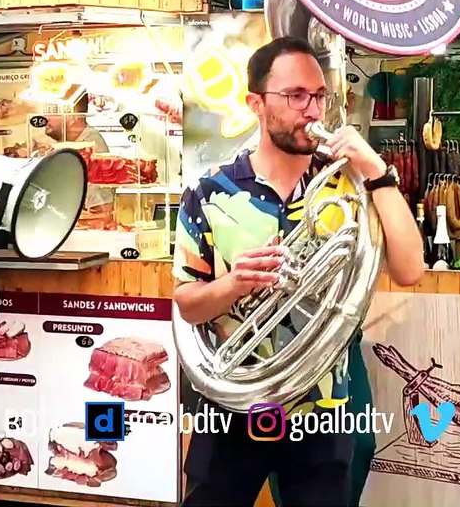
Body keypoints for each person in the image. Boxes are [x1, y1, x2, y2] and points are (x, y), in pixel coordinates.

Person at [173, 36, 425, 506]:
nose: (311, 110)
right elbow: (187, 304)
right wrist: (235, 283)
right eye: (294, 96)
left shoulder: (351, 185)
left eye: (318, 96)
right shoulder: (210, 192)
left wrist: (376, 170)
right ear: (255, 103)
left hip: (322, 408)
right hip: (232, 404)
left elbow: (410, 270)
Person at [43, 91, 113, 216]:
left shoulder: (91, 147)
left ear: (73, 117)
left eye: (53, 111)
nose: (45, 117)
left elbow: (101, 209)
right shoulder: (71, 145)